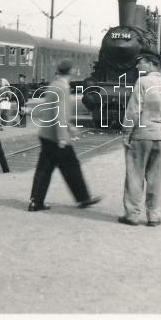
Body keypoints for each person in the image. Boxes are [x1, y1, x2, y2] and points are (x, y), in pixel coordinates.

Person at [28, 59, 101, 212]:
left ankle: (36, 202)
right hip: (56, 136)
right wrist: (62, 137)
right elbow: (60, 114)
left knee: (45, 169)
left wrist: (69, 126)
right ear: (72, 71)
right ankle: (83, 198)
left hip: (46, 133)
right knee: (72, 167)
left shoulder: (54, 84)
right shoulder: (63, 88)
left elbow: (54, 112)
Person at [118, 52, 161, 227]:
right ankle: (154, 216)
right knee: (155, 178)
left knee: (134, 176)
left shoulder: (142, 82)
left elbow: (133, 110)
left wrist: (126, 132)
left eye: (141, 63)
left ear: (152, 64)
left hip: (140, 136)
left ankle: (132, 215)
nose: (137, 66)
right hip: (160, 137)